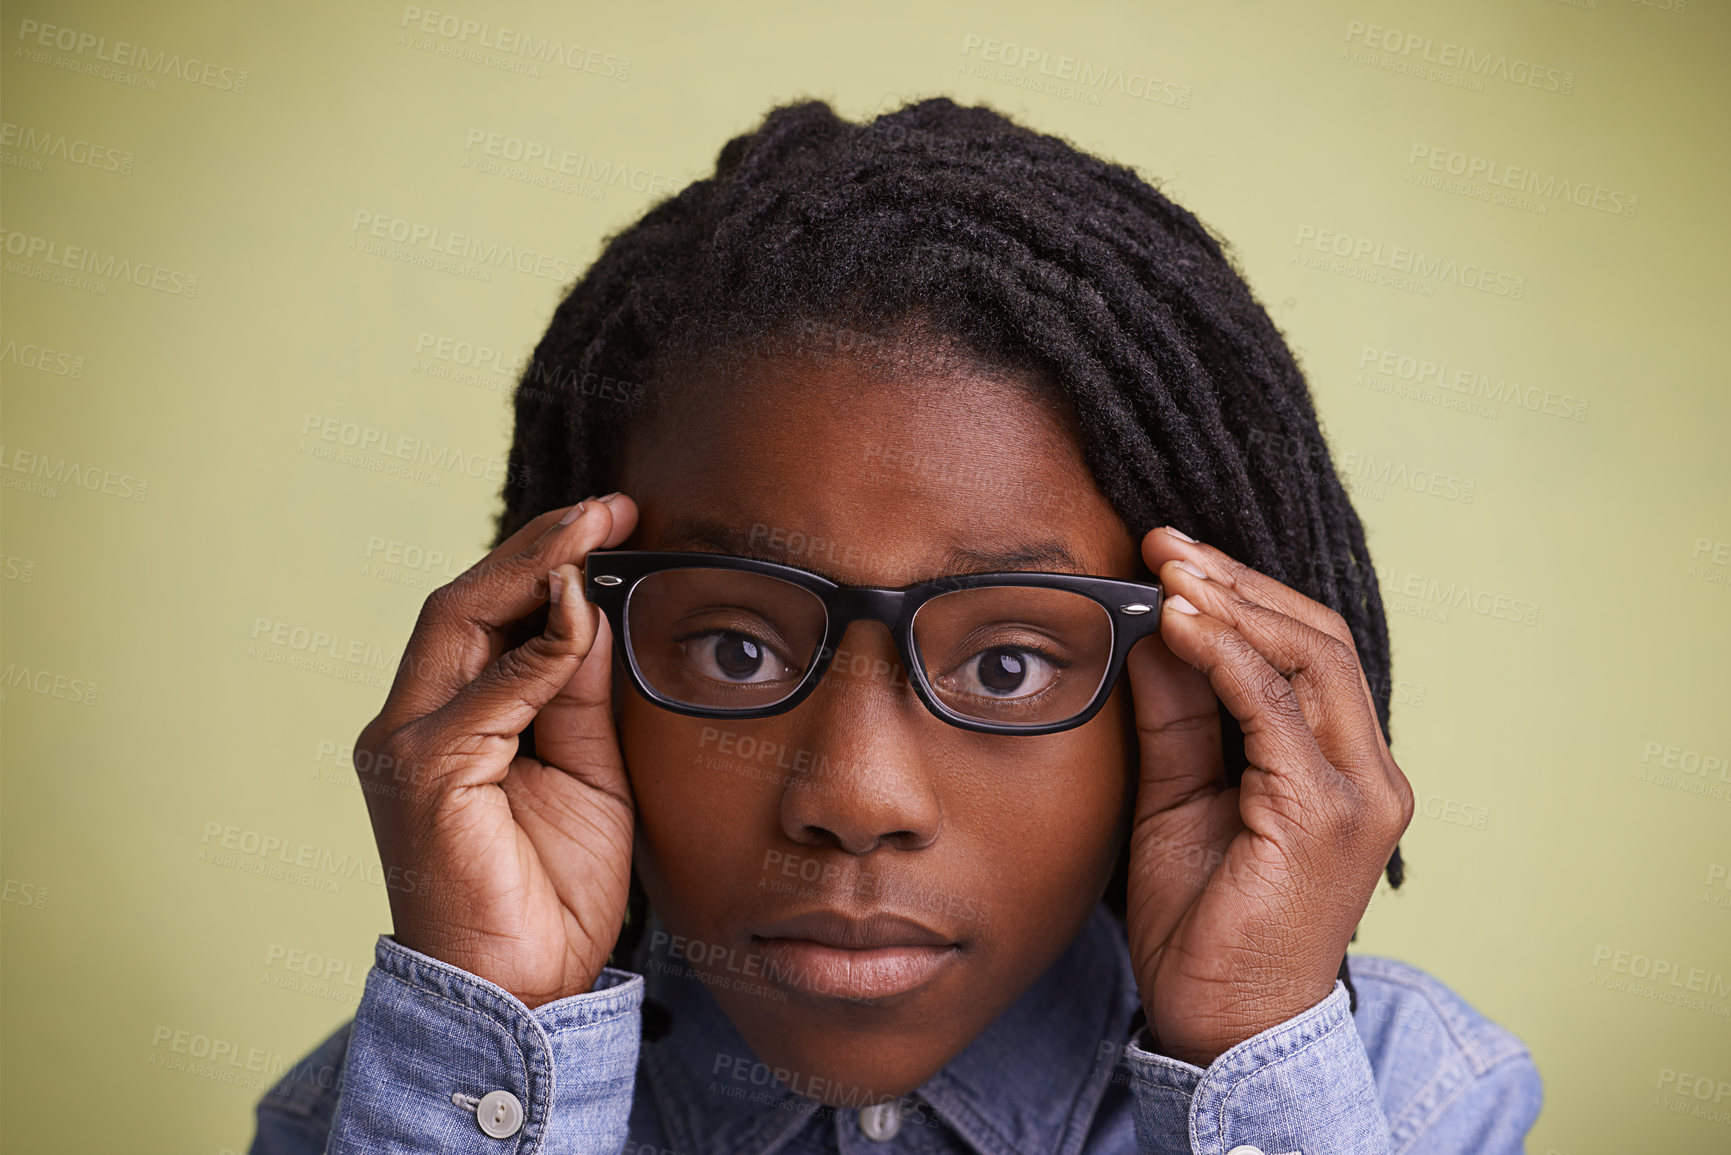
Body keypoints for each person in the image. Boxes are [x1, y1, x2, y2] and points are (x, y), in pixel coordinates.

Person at [249, 97, 1542, 1155]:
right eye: (737, 648)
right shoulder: (413, 1105)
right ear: (564, 652)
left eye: (1008, 661)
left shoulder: (1412, 1101)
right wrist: (501, 1010)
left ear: (1198, 692)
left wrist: (1249, 1046)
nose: (856, 796)